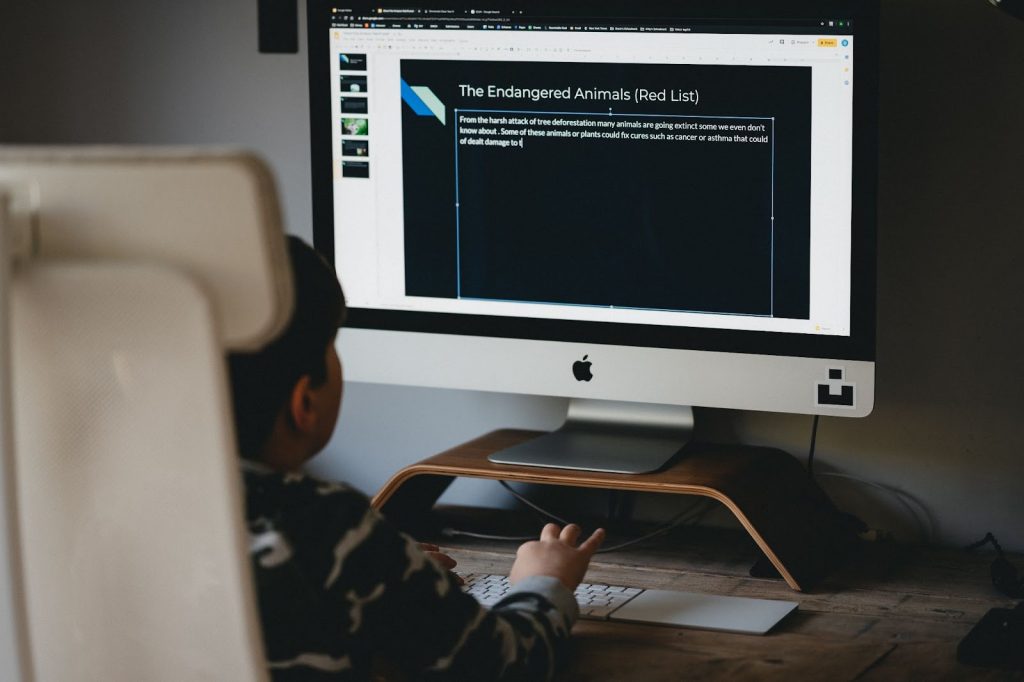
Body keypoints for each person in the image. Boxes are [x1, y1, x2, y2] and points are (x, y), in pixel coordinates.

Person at [228, 236, 605, 681]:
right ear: (303, 402)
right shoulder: (327, 529)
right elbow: (505, 664)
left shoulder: (137, 501)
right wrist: (545, 583)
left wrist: (393, 584)